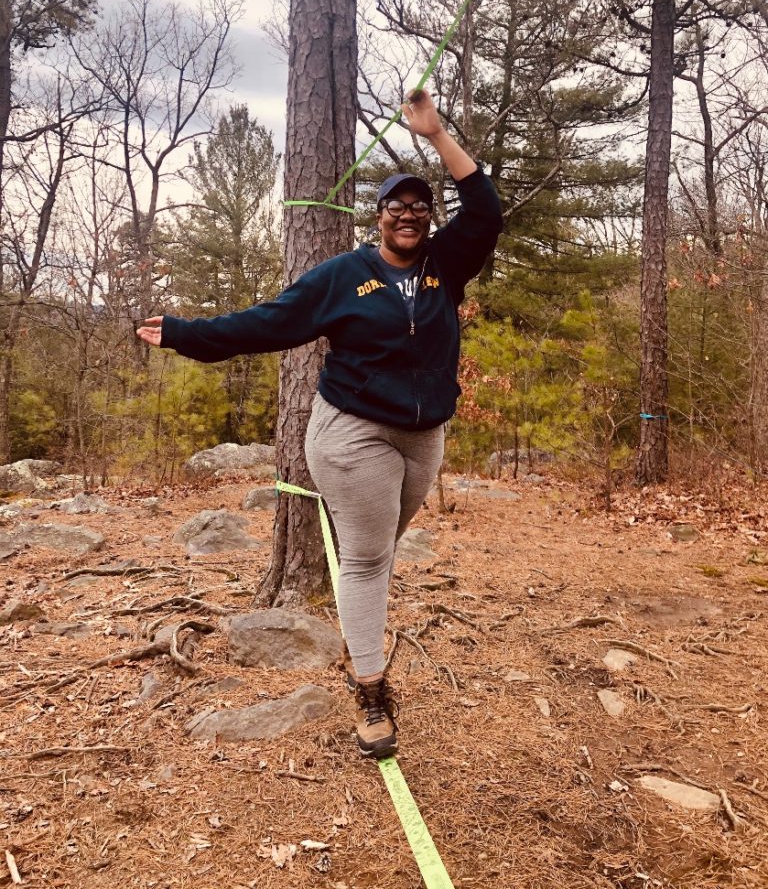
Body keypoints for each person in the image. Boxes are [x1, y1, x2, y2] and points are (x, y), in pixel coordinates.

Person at [137, 89, 502, 759]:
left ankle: (361, 636)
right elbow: (270, 323)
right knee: (366, 558)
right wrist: (187, 334)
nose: (409, 216)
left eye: (420, 208)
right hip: (351, 432)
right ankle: (371, 693)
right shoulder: (344, 277)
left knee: (379, 553)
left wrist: (435, 133)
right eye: (397, 207)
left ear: (428, 220)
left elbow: (485, 209)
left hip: (423, 435)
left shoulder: (444, 268)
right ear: (379, 217)